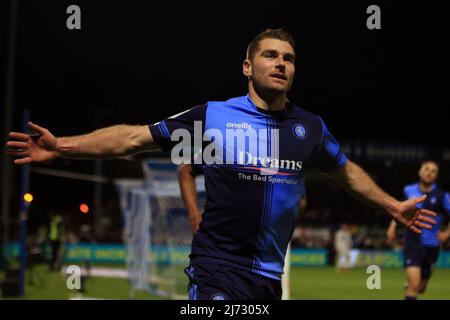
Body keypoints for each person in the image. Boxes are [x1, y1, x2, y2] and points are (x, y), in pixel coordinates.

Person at [6, 29, 436, 300]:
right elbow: (134, 138)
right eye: (270, 55)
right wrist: (63, 145)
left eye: (288, 58)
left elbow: (345, 171)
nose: (281, 63)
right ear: (248, 67)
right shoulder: (212, 116)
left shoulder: (310, 129)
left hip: (267, 276)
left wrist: (391, 206)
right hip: (217, 268)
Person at [386, 160, 450, 300]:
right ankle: (411, 285)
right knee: (414, 285)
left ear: (436, 176)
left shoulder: (442, 195)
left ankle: (411, 285)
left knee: (421, 288)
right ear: (420, 171)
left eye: (433, 171)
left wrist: (447, 233)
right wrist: (392, 227)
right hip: (412, 243)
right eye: (427, 169)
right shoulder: (409, 190)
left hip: (432, 247)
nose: (429, 173)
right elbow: (399, 209)